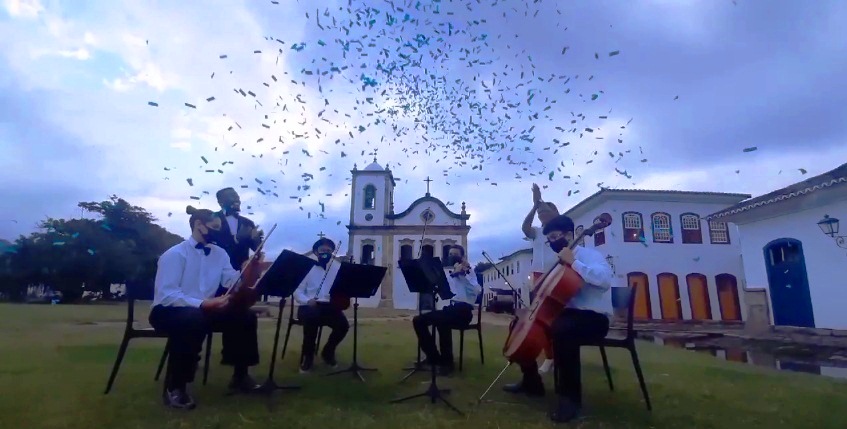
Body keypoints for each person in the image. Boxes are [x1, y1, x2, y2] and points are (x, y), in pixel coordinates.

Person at [149, 206, 265, 410]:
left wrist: (249, 270)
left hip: (203, 311)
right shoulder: (174, 254)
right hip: (167, 311)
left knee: (244, 317)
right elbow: (167, 295)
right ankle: (176, 386)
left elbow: (232, 281)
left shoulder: (220, 254)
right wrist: (203, 303)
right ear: (198, 225)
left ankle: (240, 376)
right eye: (215, 227)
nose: (220, 232)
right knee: (192, 319)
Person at [503, 214, 613, 423]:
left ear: (569, 235)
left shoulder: (589, 255)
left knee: (563, 329)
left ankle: (570, 399)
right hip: (568, 315)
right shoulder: (559, 262)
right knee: (521, 325)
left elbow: (604, 280)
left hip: (595, 319)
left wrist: (575, 264)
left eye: (555, 237)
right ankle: (532, 382)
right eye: (549, 239)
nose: (552, 242)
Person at [411, 244, 482, 376]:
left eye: (455, 254)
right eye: (449, 254)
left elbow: (477, 290)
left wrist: (464, 275)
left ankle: (448, 363)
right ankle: (434, 357)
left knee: (442, 321)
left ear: (463, 257)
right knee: (418, 320)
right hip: (450, 308)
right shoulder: (449, 273)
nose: (452, 257)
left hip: (464, 311)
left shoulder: (469, 272)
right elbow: (444, 289)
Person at [292, 237, 349, 373]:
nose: (326, 253)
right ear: (316, 252)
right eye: (323, 250)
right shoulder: (307, 267)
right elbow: (297, 291)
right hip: (308, 306)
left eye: (329, 251)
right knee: (311, 320)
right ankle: (308, 356)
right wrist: (307, 301)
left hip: (328, 307)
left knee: (343, 326)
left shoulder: (336, 268)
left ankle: (327, 352)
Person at [521, 183, 560, 374]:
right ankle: (549, 357)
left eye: (546, 210)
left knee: (555, 319)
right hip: (538, 277)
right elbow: (525, 227)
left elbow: (555, 216)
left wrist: (540, 200)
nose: (541, 214)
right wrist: (535, 205)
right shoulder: (536, 232)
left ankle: (559, 355)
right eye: (539, 213)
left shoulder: (561, 229)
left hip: (558, 274)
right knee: (540, 320)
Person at [211, 187, 263, 271]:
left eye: (237, 197)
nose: (237, 199)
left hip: (242, 274)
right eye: (232, 196)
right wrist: (236, 239)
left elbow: (256, 249)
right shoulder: (212, 219)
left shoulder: (248, 223)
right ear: (220, 202)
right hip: (217, 273)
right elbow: (210, 244)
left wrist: (256, 238)